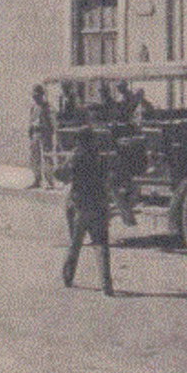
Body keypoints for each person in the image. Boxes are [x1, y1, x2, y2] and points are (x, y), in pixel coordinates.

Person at [61, 124, 114, 294]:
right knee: (101, 245)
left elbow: (60, 173)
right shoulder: (100, 158)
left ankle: (68, 277)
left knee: (75, 244)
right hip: (98, 205)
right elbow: (108, 179)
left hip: (80, 206)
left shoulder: (76, 158)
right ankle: (106, 285)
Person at [28, 84, 56, 189]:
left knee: (47, 157)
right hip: (35, 133)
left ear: (41, 95)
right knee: (35, 157)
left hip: (44, 133)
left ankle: (49, 181)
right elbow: (31, 121)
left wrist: (50, 133)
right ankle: (37, 179)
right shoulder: (33, 107)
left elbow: (52, 122)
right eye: (34, 95)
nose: (35, 98)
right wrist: (30, 133)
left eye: (37, 95)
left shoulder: (47, 107)